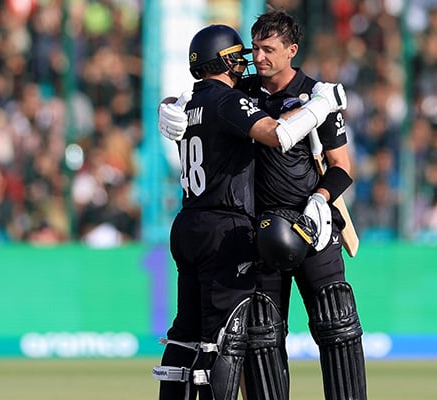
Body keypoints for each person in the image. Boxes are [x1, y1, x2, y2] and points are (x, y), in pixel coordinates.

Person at [159, 10, 367, 400]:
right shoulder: (244, 91)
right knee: (262, 337)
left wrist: (322, 199)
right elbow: (203, 92)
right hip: (261, 230)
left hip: (313, 224)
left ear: (292, 50)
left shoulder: (316, 93)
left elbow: (342, 167)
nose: (258, 56)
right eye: (254, 48)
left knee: (336, 325)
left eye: (269, 49)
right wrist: (168, 104)